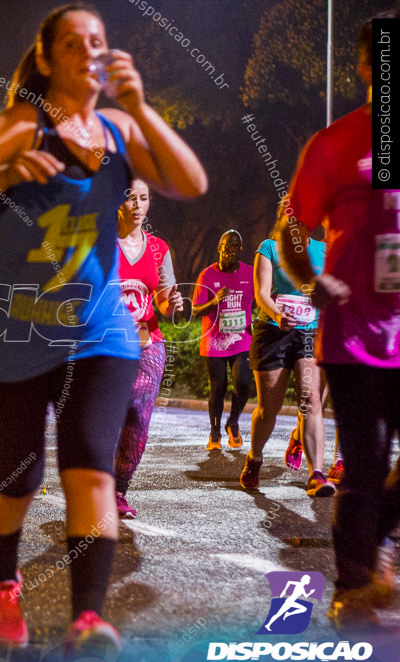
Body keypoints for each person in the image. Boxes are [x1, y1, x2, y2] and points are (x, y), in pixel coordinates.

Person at [0, 3, 206, 653]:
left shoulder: (117, 128)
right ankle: (1, 576)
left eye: (99, 42)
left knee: (91, 471)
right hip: (11, 335)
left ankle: (88, 619)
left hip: (98, 332)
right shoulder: (18, 125)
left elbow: (189, 181)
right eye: (74, 43)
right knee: (19, 479)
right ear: (47, 59)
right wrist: (4, 172)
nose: (89, 52)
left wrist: (141, 109)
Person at [277, 10, 400, 630]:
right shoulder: (335, 144)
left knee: (379, 472)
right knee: (367, 461)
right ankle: (353, 587)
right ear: (364, 68)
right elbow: (291, 227)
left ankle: (368, 549)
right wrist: (309, 276)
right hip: (352, 335)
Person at [239, 228, 332, 497]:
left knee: (311, 400)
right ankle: (255, 457)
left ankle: (316, 474)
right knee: (270, 409)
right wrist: (277, 313)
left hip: (308, 333)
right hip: (273, 332)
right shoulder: (269, 247)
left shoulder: (321, 250)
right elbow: (262, 293)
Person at [113, 179, 183, 519]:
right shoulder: (99, 243)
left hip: (148, 345)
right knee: (106, 415)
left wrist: (174, 303)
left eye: (144, 199)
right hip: (104, 347)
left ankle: (119, 489)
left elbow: (165, 302)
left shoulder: (159, 248)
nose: (138, 206)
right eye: (130, 198)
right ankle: (94, 483)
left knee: (137, 410)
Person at [192, 230, 255, 450]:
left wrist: (260, 321)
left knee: (244, 384)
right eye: (228, 246)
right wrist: (214, 301)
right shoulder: (207, 275)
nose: (232, 251)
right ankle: (215, 432)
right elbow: (195, 309)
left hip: (241, 340)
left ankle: (233, 422)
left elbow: (263, 298)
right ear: (219, 248)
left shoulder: (250, 273)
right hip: (215, 342)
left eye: (237, 247)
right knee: (218, 387)